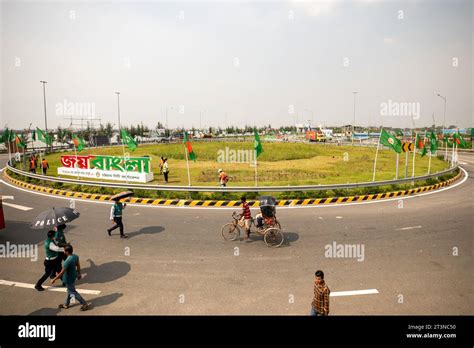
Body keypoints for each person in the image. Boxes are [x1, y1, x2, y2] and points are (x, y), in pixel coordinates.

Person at [52, 245, 90, 311]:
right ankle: (66, 304)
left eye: (64, 250)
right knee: (70, 291)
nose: (63, 251)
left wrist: (54, 279)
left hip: (68, 279)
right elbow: (78, 265)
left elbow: (61, 273)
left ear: (66, 251)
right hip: (73, 276)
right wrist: (79, 274)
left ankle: (84, 304)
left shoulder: (67, 261)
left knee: (73, 292)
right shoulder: (75, 256)